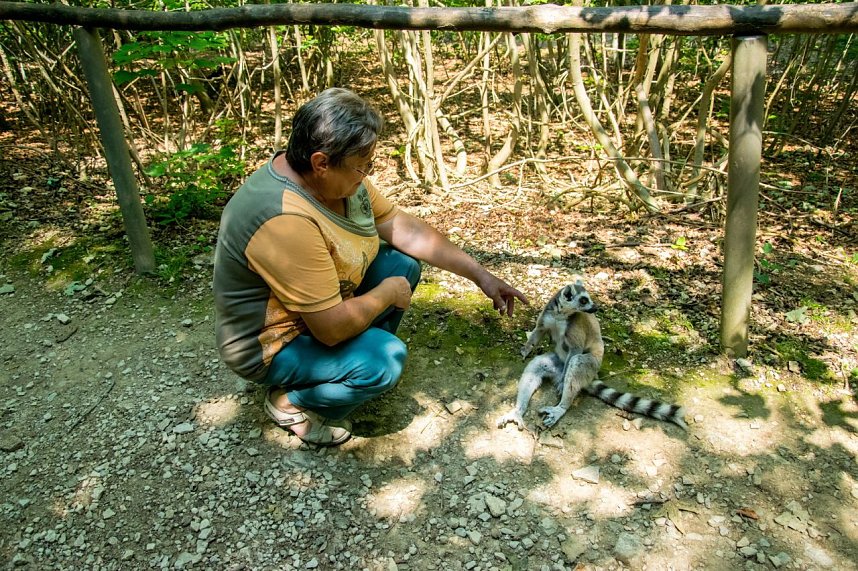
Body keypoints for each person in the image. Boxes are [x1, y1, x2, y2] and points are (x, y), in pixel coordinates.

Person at [214, 88, 528, 446]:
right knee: (385, 358)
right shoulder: (285, 218)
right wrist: (386, 293)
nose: (366, 174)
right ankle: (290, 400)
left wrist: (481, 276)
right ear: (321, 162)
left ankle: (346, 365)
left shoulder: (335, 179)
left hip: (313, 311)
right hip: (271, 342)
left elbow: (402, 227)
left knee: (400, 263)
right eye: (362, 165)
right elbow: (330, 329)